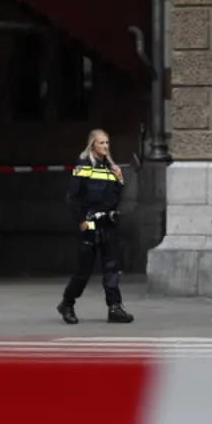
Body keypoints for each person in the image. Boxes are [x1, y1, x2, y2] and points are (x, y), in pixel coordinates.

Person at [57, 128, 133, 325]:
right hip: (90, 222)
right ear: (93, 145)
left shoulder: (110, 167)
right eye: (101, 143)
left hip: (108, 223)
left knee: (111, 268)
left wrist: (120, 180)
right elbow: (72, 197)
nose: (105, 147)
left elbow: (114, 199)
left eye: (107, 143)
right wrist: (82, 221)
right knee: (84, 269)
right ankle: (67, 303)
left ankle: (115, 307)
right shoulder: (84, 165)